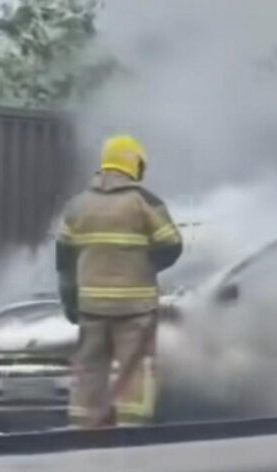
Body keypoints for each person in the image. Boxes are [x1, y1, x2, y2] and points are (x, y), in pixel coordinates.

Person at [56, 135, 183, 428]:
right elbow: (172, 245)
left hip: (91, 307)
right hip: (134, 307)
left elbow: (64, 258)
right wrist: (146, 267)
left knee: (89, 369)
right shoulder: (145, 203)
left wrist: (70, 302)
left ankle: (82, 428)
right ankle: (131, 429)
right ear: (134, 164)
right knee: (135, 368)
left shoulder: (78, 205)